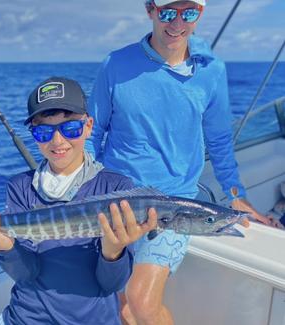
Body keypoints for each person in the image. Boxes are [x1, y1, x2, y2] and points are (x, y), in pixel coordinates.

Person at [87, 1, 280, 324]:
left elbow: (219, 141)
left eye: (188, 13)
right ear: (150, 10)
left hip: (174, 206)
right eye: (167, 12)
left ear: (200, 15)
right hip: (116, 203)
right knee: (121, 306)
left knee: (142, 302)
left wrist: (236, 195)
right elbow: (93, 134)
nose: (177, 23)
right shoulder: (115, 64)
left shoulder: (211, 70)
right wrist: (82, 190)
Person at [0, 77, 157, 325]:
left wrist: (113, 251)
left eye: (70, 129)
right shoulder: (20, 187)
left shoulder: (117, 188)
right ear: (34, 135)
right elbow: (27, 273)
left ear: (88, 127)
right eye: (44, 131)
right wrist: (4, 246)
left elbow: (112, 284)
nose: (57, 141)